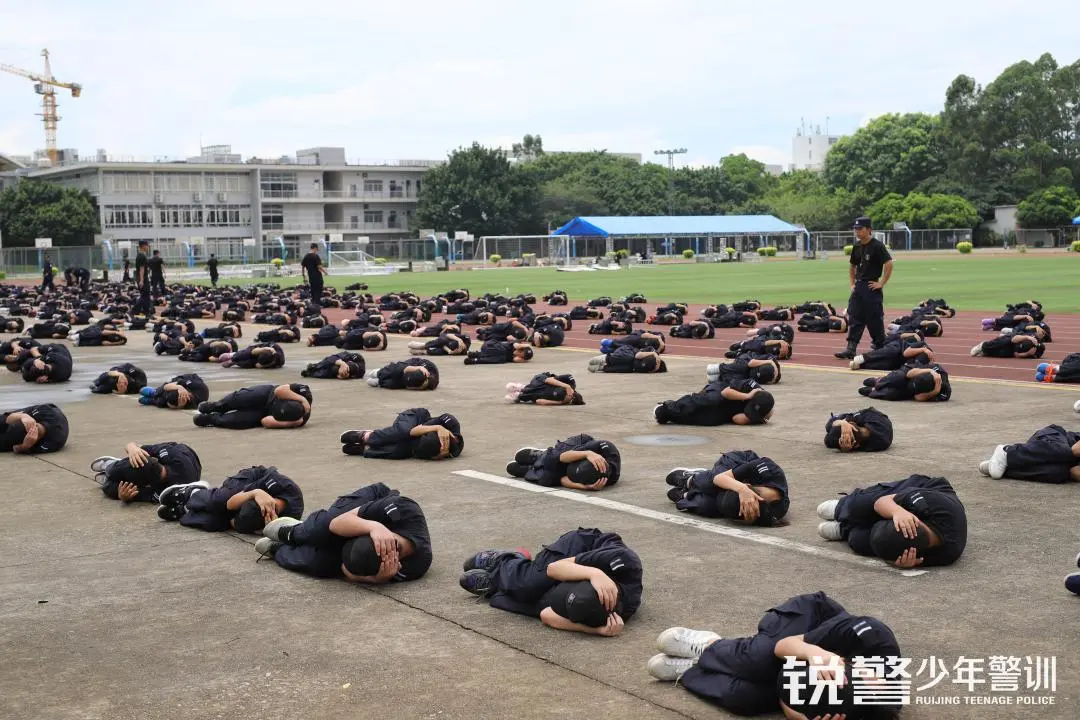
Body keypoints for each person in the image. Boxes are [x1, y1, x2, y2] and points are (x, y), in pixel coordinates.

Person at [646, 592, 901, 720]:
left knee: (743, 699)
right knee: (760, 659)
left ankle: (692, 669)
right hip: (807, 625)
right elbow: (785, 646)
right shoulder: (869, 635)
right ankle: (710, 646)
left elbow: (787, 697)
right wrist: (814, 653)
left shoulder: (878, 705)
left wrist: (803, 716)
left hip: (800, 669)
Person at [458, 527, 642, 637]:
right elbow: (554, 568)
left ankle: (495, 583)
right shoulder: (624, 561)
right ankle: (504, 561)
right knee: (530, 583)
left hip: (578, 584)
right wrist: (594, 573)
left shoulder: (615, 614)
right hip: (580, 548)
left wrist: (596, 631)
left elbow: (546, 614)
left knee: (535, 604)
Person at [257, 482, 432, 585]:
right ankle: (292, 531)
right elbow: (337, 524)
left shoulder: (418, 564)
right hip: (369, 504)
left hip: (360, 540)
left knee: (320, 565)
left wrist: (377, 578)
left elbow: (347, 570)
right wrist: (374, 527)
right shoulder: (404, 510)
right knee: (322, 530)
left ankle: (278, 549)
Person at [817, 474, 967, 568]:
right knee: (860, 506)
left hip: (920, 517)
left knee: (859, 542)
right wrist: (897, 511)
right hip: (926, 488)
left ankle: (844, 528)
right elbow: (881, 502)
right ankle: (841, 508)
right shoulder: (929, 504)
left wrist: (897, 563)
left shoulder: (948, 554)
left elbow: (889, 554)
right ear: (915, 522)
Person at [157, 465, 304, 531]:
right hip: (250, 480)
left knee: (215, 523)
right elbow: (230, 504)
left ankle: (185, 510)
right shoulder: (286, 488)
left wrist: (231, 522)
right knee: (220, 501)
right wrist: (255, 493)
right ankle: (193, 492)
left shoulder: (287, 520)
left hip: (248, 507)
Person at [664, 450, 789, 526]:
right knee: (710, 483)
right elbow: (719, 479)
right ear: (748, 484)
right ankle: (692, 479)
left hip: (735, 493)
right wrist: (742, 489)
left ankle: (686, 495)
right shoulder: (767, 468)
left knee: (707, 506)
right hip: (737, 464)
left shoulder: (775, 512)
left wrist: (749, 519)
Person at [835, 217, 893, 360]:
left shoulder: (877, 246)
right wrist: (852, 283)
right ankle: (851, 348)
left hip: (871, 286)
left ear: (869, 229)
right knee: (854, 316)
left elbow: (889, 263)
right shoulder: (857, 246)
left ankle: (880, 347)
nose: (857, 232)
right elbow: (852, 266)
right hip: (859, 286)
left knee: (874, 318)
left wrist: (881, 283)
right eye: (856, 229)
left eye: (860, 229)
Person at [90, 441, 202, 504]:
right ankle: (111, 466)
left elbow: (138, 494)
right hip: (182, 451)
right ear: (154, 460)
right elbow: (131, 445)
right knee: (119, 468)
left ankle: (111, 479)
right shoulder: (169, 453)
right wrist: (132, 448)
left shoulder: (165, 493)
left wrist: (123, 497)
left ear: (146, 485)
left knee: (110, 489)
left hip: (189, 470)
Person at [505, 435, 620, 491]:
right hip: (578, 446)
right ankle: (543, 455)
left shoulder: (608, 479)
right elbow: (562, 457)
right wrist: (588, 454)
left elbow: (562, 480)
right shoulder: (601, 448)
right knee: (551, 459)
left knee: (547, 479)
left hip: (577, 462)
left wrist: (584, 487)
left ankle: (530, 470)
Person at [339, 407, 463, 460]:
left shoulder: (454, 450)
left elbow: (427, 455)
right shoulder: (449, 422)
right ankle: (367, 436)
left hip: (417, 440)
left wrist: (439, 456)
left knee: (400, 452)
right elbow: (412, 431)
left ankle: (365, 449)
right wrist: (438, 427)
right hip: (416, 419)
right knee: (403, 432)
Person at [978, 425, 1080, 484]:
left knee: (1060, 473)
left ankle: (1008, 468)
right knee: (1065, 452)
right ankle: (1007, 452)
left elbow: (1074, 472)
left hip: (1062, 460)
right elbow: (1075, 450)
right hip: (1055, 438)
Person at [654, 379, 774, 426]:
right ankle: (669, 407)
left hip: (725, 409)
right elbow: (725, 393)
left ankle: (674, 417)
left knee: (710, 420)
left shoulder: (765, 407)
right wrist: (746, 396)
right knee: (711, 401)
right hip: (719, 391)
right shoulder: (749, 386)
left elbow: (736, 418)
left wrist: (756, 417)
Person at [194, 383, 312, 429]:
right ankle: (215, 406)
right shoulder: (303, 393)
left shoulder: (298, 420)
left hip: (263, 413)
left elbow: (266, 421)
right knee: (239, 398)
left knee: (236, 421)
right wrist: (302, 399)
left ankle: (211, 419)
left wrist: (293, 423)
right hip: (267, 394)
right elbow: (279, 390)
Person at [858, 363, 951, 402]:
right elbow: (909, 374)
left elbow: (917, 397)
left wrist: (934, 392)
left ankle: (873, 391)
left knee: (892, 395)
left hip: (911, 392)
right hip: (911, 373)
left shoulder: (944, 393)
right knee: (898, 377)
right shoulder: (934, 368)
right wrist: (929, 370)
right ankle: (878, 381)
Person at [0, 403, 69, 454]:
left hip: (25, 439)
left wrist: (24, 446)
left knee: (4, 443)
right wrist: (22, 416)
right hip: (31, 415)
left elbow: (15, 449)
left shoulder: (53, 443)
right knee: (3, 421)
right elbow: (8, 418)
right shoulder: (45, 411)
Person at [824, 407, 893, 452]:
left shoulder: (874, 445)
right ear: (852, 423)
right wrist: (843, 422)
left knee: (829, 441)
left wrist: (848, 450)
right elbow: (829, 425)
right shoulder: (870, 416)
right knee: (829, 426)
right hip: (870, 416)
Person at [506, 372, 585, 405]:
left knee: (540, 394)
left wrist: (560, 402)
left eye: (569, 402)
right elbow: (548, 380)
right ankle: (522, 388)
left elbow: (539, 401)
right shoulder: (570, 381)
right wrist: (566, 386)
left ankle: (520, 395)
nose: (568, 399)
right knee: (543, 386)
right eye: (571, 397)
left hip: (539, 393)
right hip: (542, 380)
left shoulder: (561, 399)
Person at [139, 373, 209, 410]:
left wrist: (179, 407)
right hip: (182, 381)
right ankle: (154, 392)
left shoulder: (192, 404)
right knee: (161, 391)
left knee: (161, 403)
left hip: (178, 394)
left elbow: (171, 405)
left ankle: (153, 401)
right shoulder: (199, 387)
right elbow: (166, 387)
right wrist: (179, 387)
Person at [365, 358, 439, 390]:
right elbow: (405, 369)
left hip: (414, 378)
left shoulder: (431, 384)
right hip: (412, 365)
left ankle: (379, 382)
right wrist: (419, 367)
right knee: (396, 370)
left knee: (393, 384)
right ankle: (378, 372)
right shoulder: (428, 366)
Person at [301, 351, 365, 379]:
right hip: (343, 357)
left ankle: (310, 373)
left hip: (340, 368)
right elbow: (332, 358)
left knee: (329, 372)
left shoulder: (358, 374)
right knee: (329, 361)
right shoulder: (357, 357)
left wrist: (344, 377)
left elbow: (352, 376)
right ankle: (316, 366)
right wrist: (342, 364)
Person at [134, 240, 152, 316]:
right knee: (144, 296)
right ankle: (134, 311)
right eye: (147, 245)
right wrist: (141, 280)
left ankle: (146, 312)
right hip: (143, 279)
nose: (148, 247)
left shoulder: (141, 255)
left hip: (143, 278)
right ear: (143, 246)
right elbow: (142, 269)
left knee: (146, 296)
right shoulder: (141, 256)